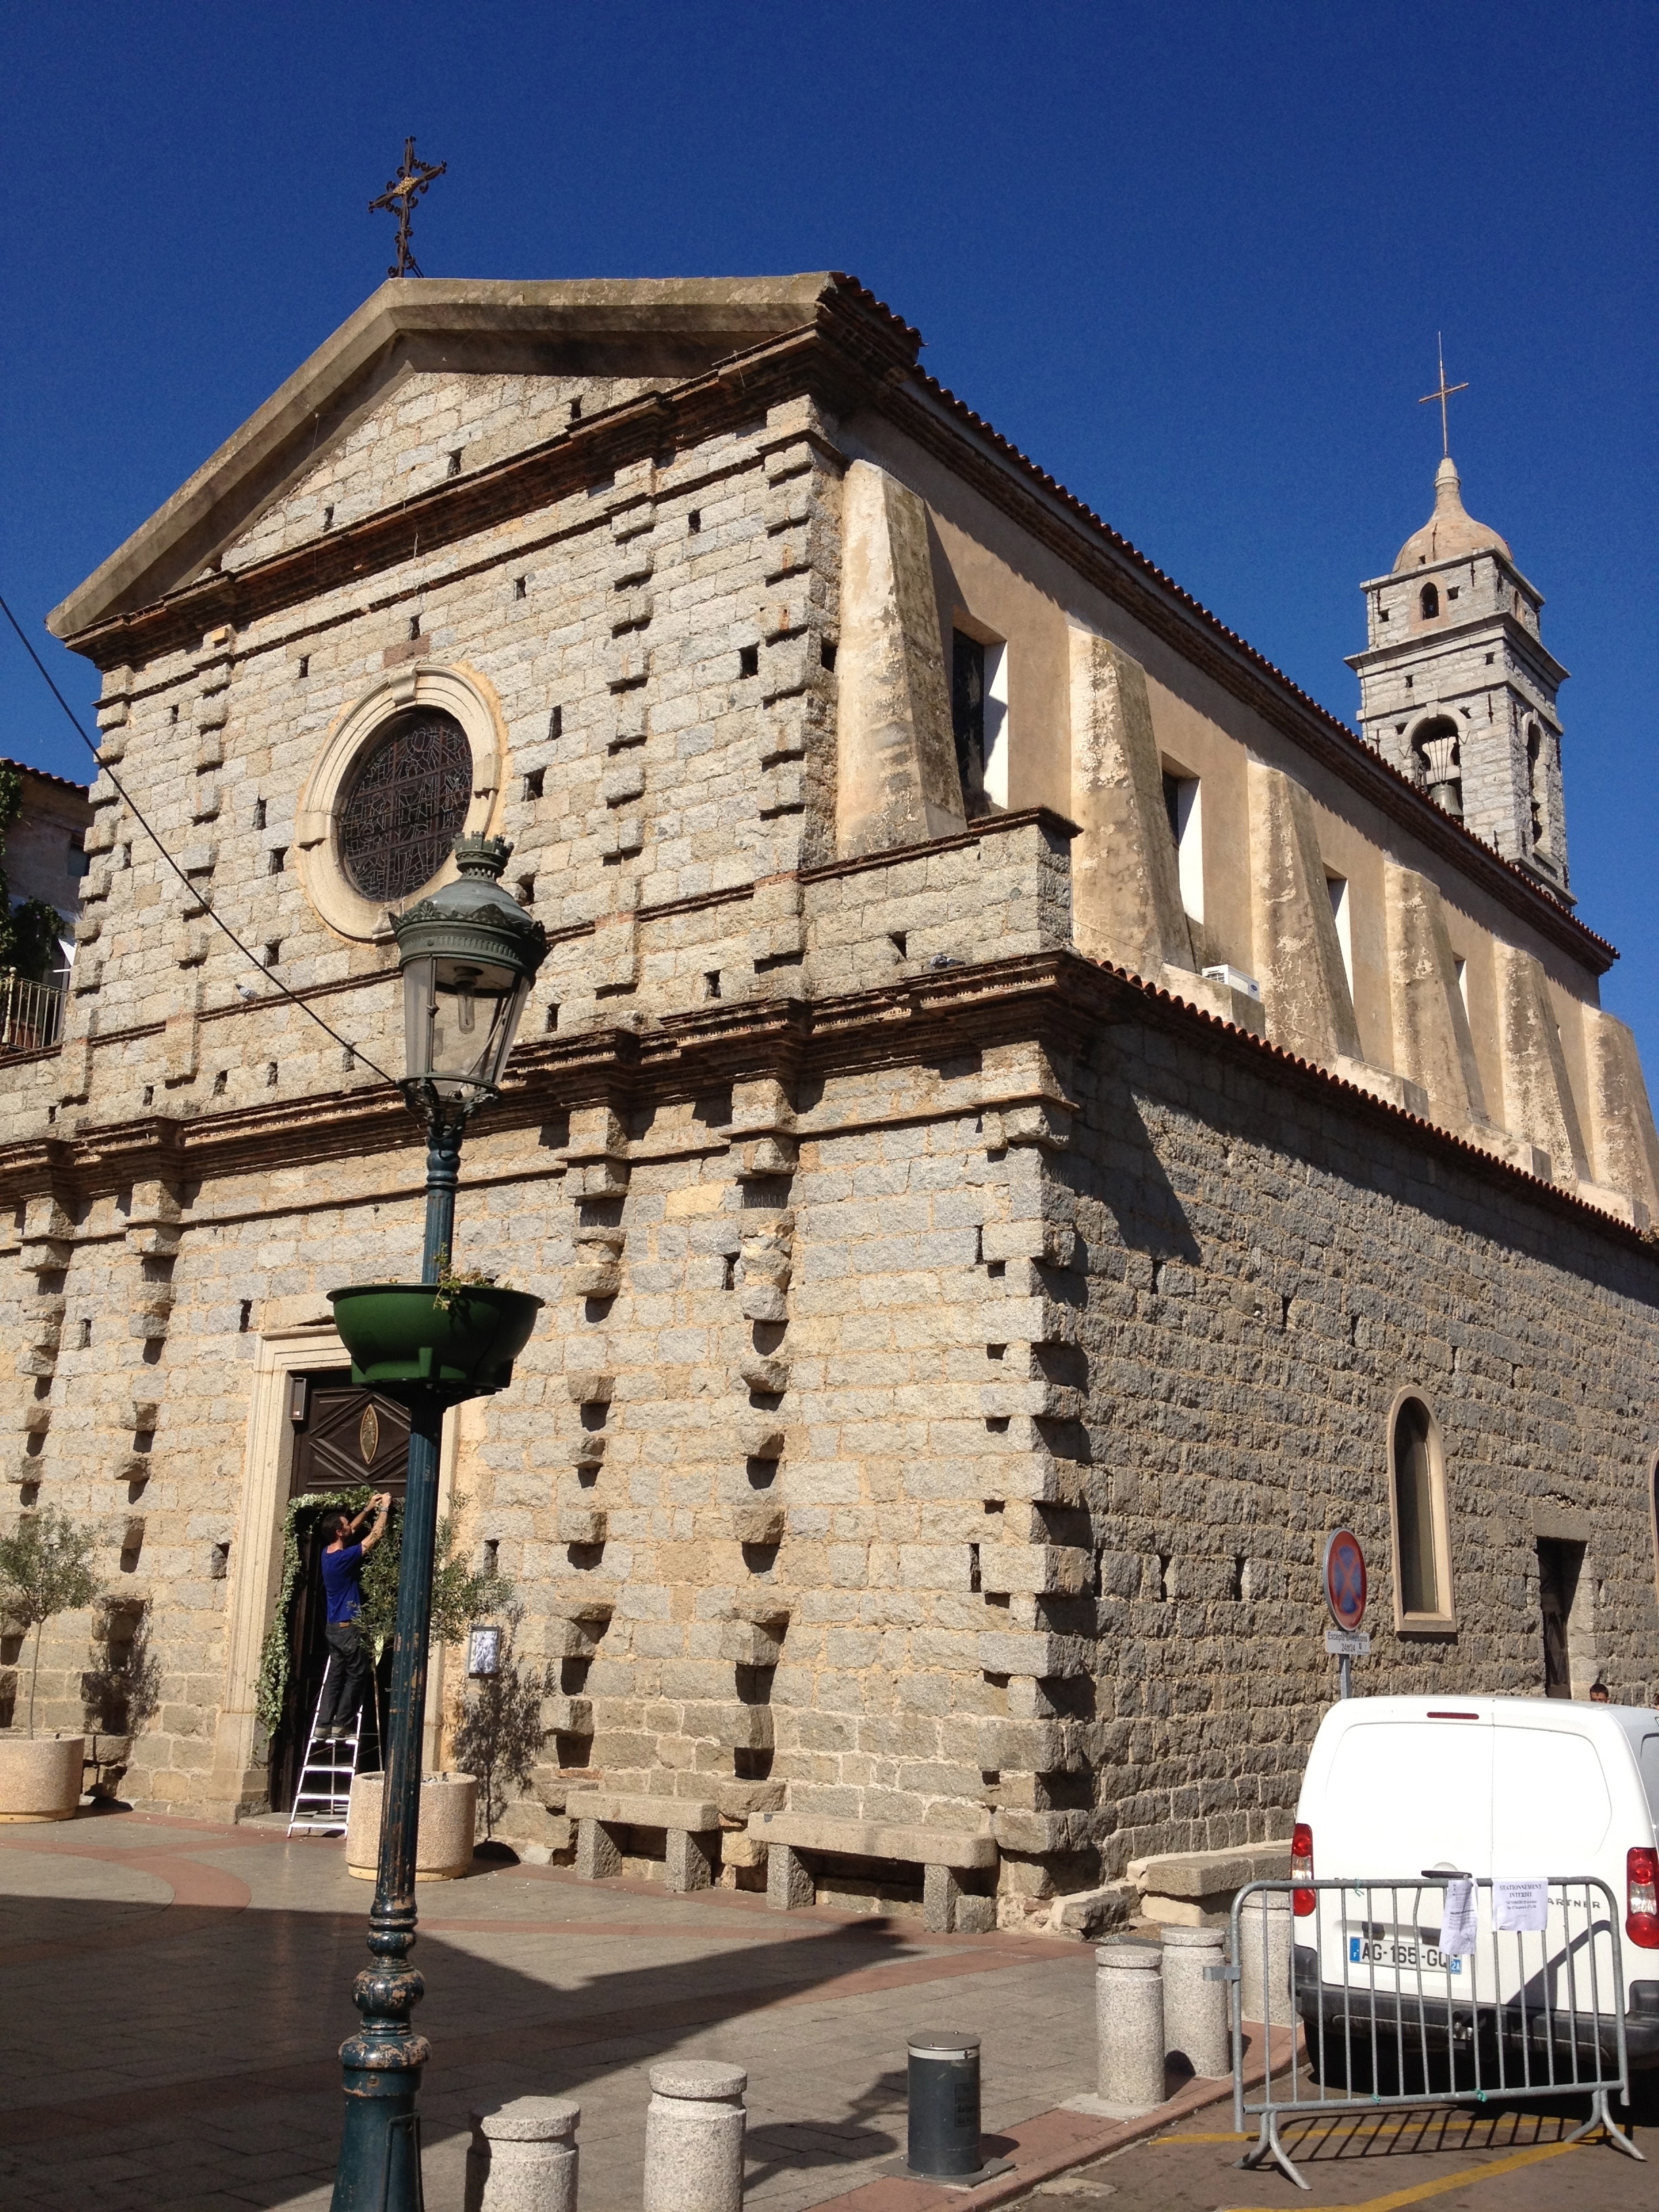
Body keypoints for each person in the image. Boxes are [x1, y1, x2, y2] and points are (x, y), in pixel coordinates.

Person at [314, 1493, 391, 1742]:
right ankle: (342, 1725)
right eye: (345, 1525)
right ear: (339, 1532)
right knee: (357, 1673)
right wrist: (384, 1510)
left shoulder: (328, 1554)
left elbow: (353, 1529)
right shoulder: (344, 1559)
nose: (350, 1527)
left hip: (333, 1628)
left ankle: (323, 1725)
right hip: (348, 1628)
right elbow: (375, 1536)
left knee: (336, 1676)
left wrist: (368, 1508)